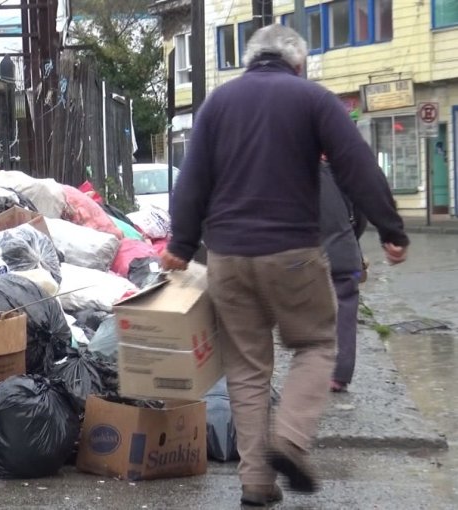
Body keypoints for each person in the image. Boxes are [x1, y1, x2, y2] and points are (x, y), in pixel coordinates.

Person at [160, 24, 409, 507]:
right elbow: (357, 165)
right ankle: (290, 441)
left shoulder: (217, 104)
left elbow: (191, 180)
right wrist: (392, 230)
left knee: (248, 371)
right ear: (298, 64)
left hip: (227, 258)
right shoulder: (312, 99)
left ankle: (256, 484)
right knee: (317, 345)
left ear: (251, 59)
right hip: (293, 254)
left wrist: (183, 244)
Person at [319, 158, 366, 393]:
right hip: (345, 252)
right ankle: (340, 374)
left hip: (310, 255)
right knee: (345, 310)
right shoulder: (347, 169)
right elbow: (360, 216)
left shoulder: (296, 171)